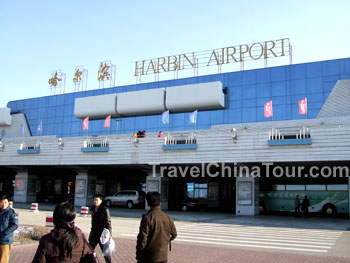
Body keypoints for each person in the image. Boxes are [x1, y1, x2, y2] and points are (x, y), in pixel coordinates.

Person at [136, 191, 177, 263]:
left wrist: (139, 255)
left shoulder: (147, 218)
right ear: (160, 203)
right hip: (163, 256)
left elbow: (142, 239)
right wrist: (166, 240)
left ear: (148, 204)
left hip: (149, 256)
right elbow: (174, 234)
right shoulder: (168, 217)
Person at [89, 194, 112, 263]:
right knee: (89, 250)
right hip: (94, 234)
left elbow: (108, 223)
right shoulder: (93, 209)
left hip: (102, 235)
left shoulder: (105, 210)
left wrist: (109, 234)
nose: (95, 201)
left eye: (97, 200)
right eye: (94, 200)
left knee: (105, 252)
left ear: (101, 201)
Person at [0, 195, 18, 263]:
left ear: (8, 203)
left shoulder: (11, 213)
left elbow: (15, 225)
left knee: (3, 260)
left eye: (5, 202)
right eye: (1, 202)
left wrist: (5, 233)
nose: (3, 204)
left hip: (5, 240)